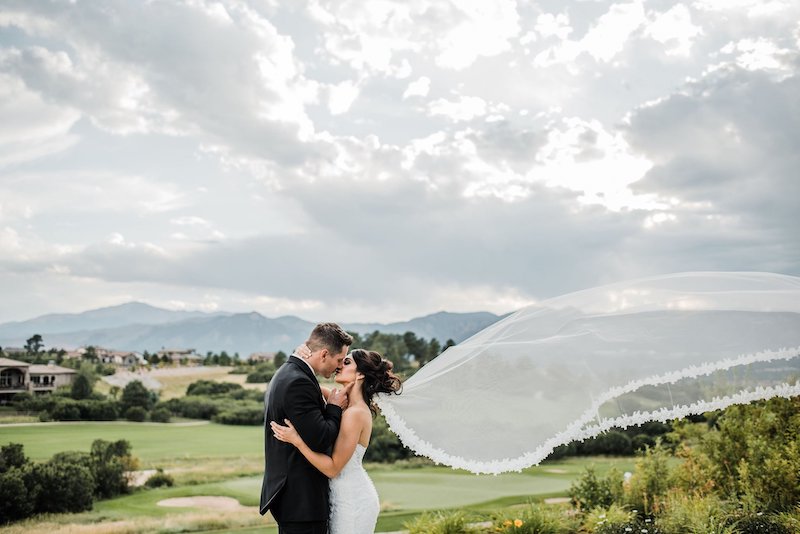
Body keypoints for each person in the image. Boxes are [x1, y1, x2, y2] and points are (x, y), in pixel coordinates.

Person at [271, 348, 402, 534]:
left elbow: (333, 469)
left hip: (352, 501)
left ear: (361, 374)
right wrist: (302, 355)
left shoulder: (355, 413)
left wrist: (297, 441)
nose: (339, 366)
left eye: (346, 363)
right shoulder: (347, 404)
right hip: (339, 497)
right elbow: (307, 386)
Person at [260, 322, 354, 534]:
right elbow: (321, 439)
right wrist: (334, 408)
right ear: (323, 355)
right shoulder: (298, 382)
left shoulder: (289, 371)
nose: (339, 366)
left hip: (296, 500)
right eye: (338, 360)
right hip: (301, 500)